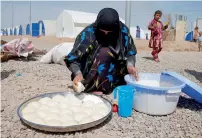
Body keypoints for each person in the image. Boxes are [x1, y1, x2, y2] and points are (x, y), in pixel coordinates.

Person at [64, 8, 138, 94]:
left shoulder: (123, 31)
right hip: (90, 72)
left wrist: (130, 65)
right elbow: (73, 58)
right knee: (105, 53)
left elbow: (130, 52)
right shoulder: (89, 33)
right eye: (103, 31)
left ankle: (112, 85)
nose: (106, 34)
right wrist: (77, 73)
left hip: (116, 75)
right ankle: (95, 87)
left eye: (110, 31)